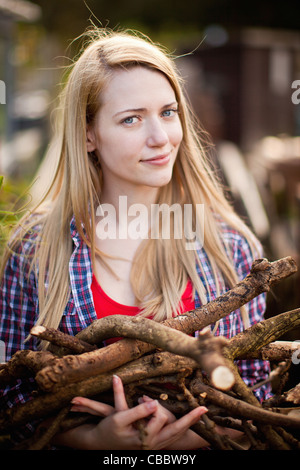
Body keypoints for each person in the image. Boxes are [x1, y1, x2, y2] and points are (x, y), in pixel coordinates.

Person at [0, 28, 271, 450]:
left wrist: (189, 442)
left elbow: (257, 391)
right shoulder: (35, 251)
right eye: (131, 119)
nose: (161, 138)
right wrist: (92, 444)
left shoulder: (230, 248)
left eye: (167, 112)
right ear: (88, 134)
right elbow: (11, 395)